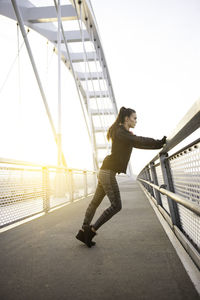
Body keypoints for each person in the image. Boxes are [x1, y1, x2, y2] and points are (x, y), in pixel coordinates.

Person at [76, 106, 166, 247]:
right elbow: (139, 140)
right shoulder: (121, 132)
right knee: (116, 205)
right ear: (126, 118)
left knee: (95, 202)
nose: (136, 121)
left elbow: (138, 143)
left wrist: (157, 145)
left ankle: (83, 231)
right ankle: (91, 231)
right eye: (134, 118)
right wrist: (159, 142)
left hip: (105, 171)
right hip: (108, 172)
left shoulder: (122, 132)